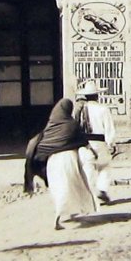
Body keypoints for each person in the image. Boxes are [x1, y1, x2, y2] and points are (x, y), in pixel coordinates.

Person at [33, 98, 97, 230]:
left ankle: (66, 214)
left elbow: (42, 145)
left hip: (52, 162)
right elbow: (83, 141)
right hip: (68, 160)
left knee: (58, 188)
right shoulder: (72, 125)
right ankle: (59, 217)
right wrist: (92, 151)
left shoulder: (50, 126)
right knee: (70, 187)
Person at [75, 80, 116, 205]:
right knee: (105, 167)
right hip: (99, 143)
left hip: (84, 144)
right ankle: (101, 190)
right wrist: (111, 144)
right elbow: (109, 128)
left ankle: (88, 195)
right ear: (97, 96)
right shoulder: (103, 109)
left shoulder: (80, 110)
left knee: (88, 169)